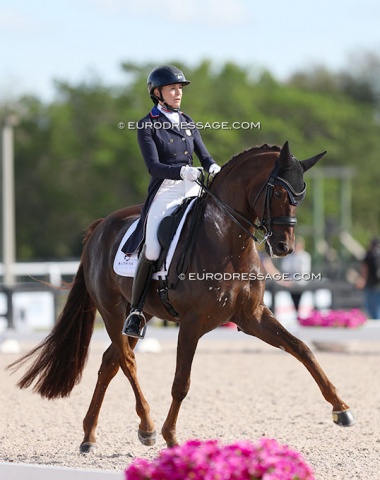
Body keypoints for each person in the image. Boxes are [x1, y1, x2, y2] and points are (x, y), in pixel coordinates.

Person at [122, 65, 221, 338]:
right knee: (152, 248)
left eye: (180, 88)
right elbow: (153, 166)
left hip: (193, 187)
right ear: (157, 93)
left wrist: (214, 168)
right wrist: (181, 171)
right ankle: (136, 311)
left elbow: (205, 156)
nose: (178, 93)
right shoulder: (147, 125)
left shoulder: (187, 121)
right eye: (172, 89)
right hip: (166, 190)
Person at [280, 237, 311, 315]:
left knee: (300, 301)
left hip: (301, 283)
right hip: (290, 283)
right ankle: (296, 314)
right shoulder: (289, 256)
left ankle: (299, 314)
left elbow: (304, 271)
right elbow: (285, 268)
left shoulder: (305, 256)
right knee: (293, 300)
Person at [358, 237, 380, 319]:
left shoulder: (369, 254)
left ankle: (376, 318)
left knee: (369, 303)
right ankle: (378, 319)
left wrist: (363, 279)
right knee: (378, 303)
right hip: (378, 283)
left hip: (370, 283)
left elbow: (365, 269)